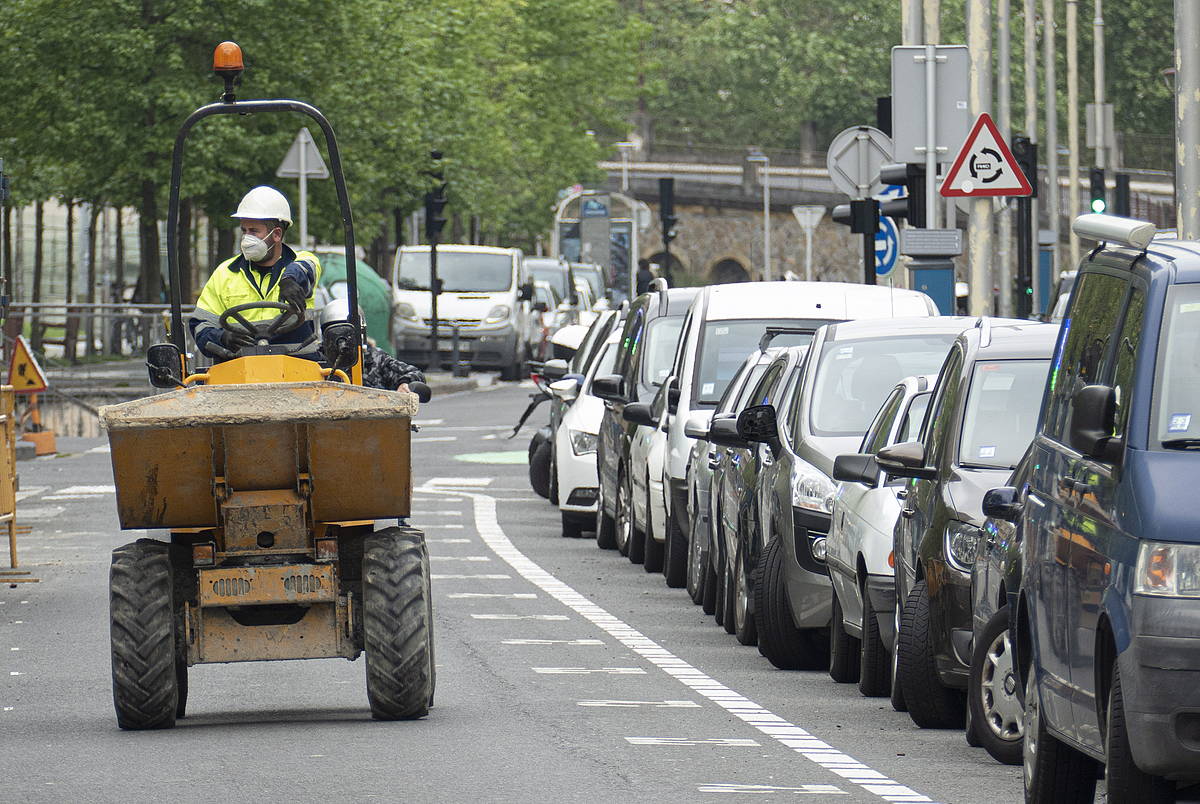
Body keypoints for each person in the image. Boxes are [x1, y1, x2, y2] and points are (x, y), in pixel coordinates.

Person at [189, 186, 322, 360]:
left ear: (276, 234)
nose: (246, 238)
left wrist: (290, 279)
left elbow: (306, 267)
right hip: (238, 374)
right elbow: (200, 325)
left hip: (297, 369)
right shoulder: (225, 273)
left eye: (254, 231)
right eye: (244, 230)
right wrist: (222, 337)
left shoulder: (301, 262)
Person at [320, 298, 425, 391]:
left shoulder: (375, 358)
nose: (341, 339)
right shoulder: (317, 360)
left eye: (347, 332)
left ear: (360, 331)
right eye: (334, 332)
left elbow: (416, 374)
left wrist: (404, 383)